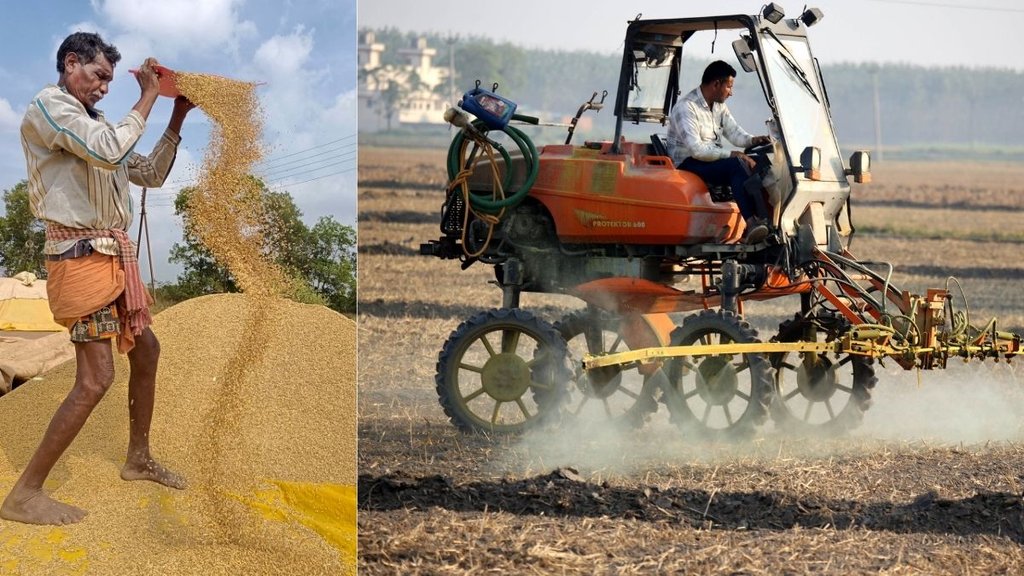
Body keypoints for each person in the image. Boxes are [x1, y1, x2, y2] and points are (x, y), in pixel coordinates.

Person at [1, 32, 195, 525]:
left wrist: (176, 115)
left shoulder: (99, 125)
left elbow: (147, 173)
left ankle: (137, 458)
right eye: (99, 76)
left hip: (112, 258)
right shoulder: (51, 108)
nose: (105, 88)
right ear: (71, 64)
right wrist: (149, 94)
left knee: (147, 350)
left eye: (110, 79)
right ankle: (24, 494)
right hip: (79, 260)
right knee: (95, 379)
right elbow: (109, 152)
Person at [667, 60, 772, 244]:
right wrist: (732, 154)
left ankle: (769, 221)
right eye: (729, 86)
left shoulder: (718, 107)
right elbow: (697, 150)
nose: (731, 92)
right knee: (736, 165)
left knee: (761, 161)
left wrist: (754, 140)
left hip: (708, 159)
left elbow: (735, 133)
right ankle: (751, 223)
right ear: (716, 84)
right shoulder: (686, 108)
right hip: (688, 163)